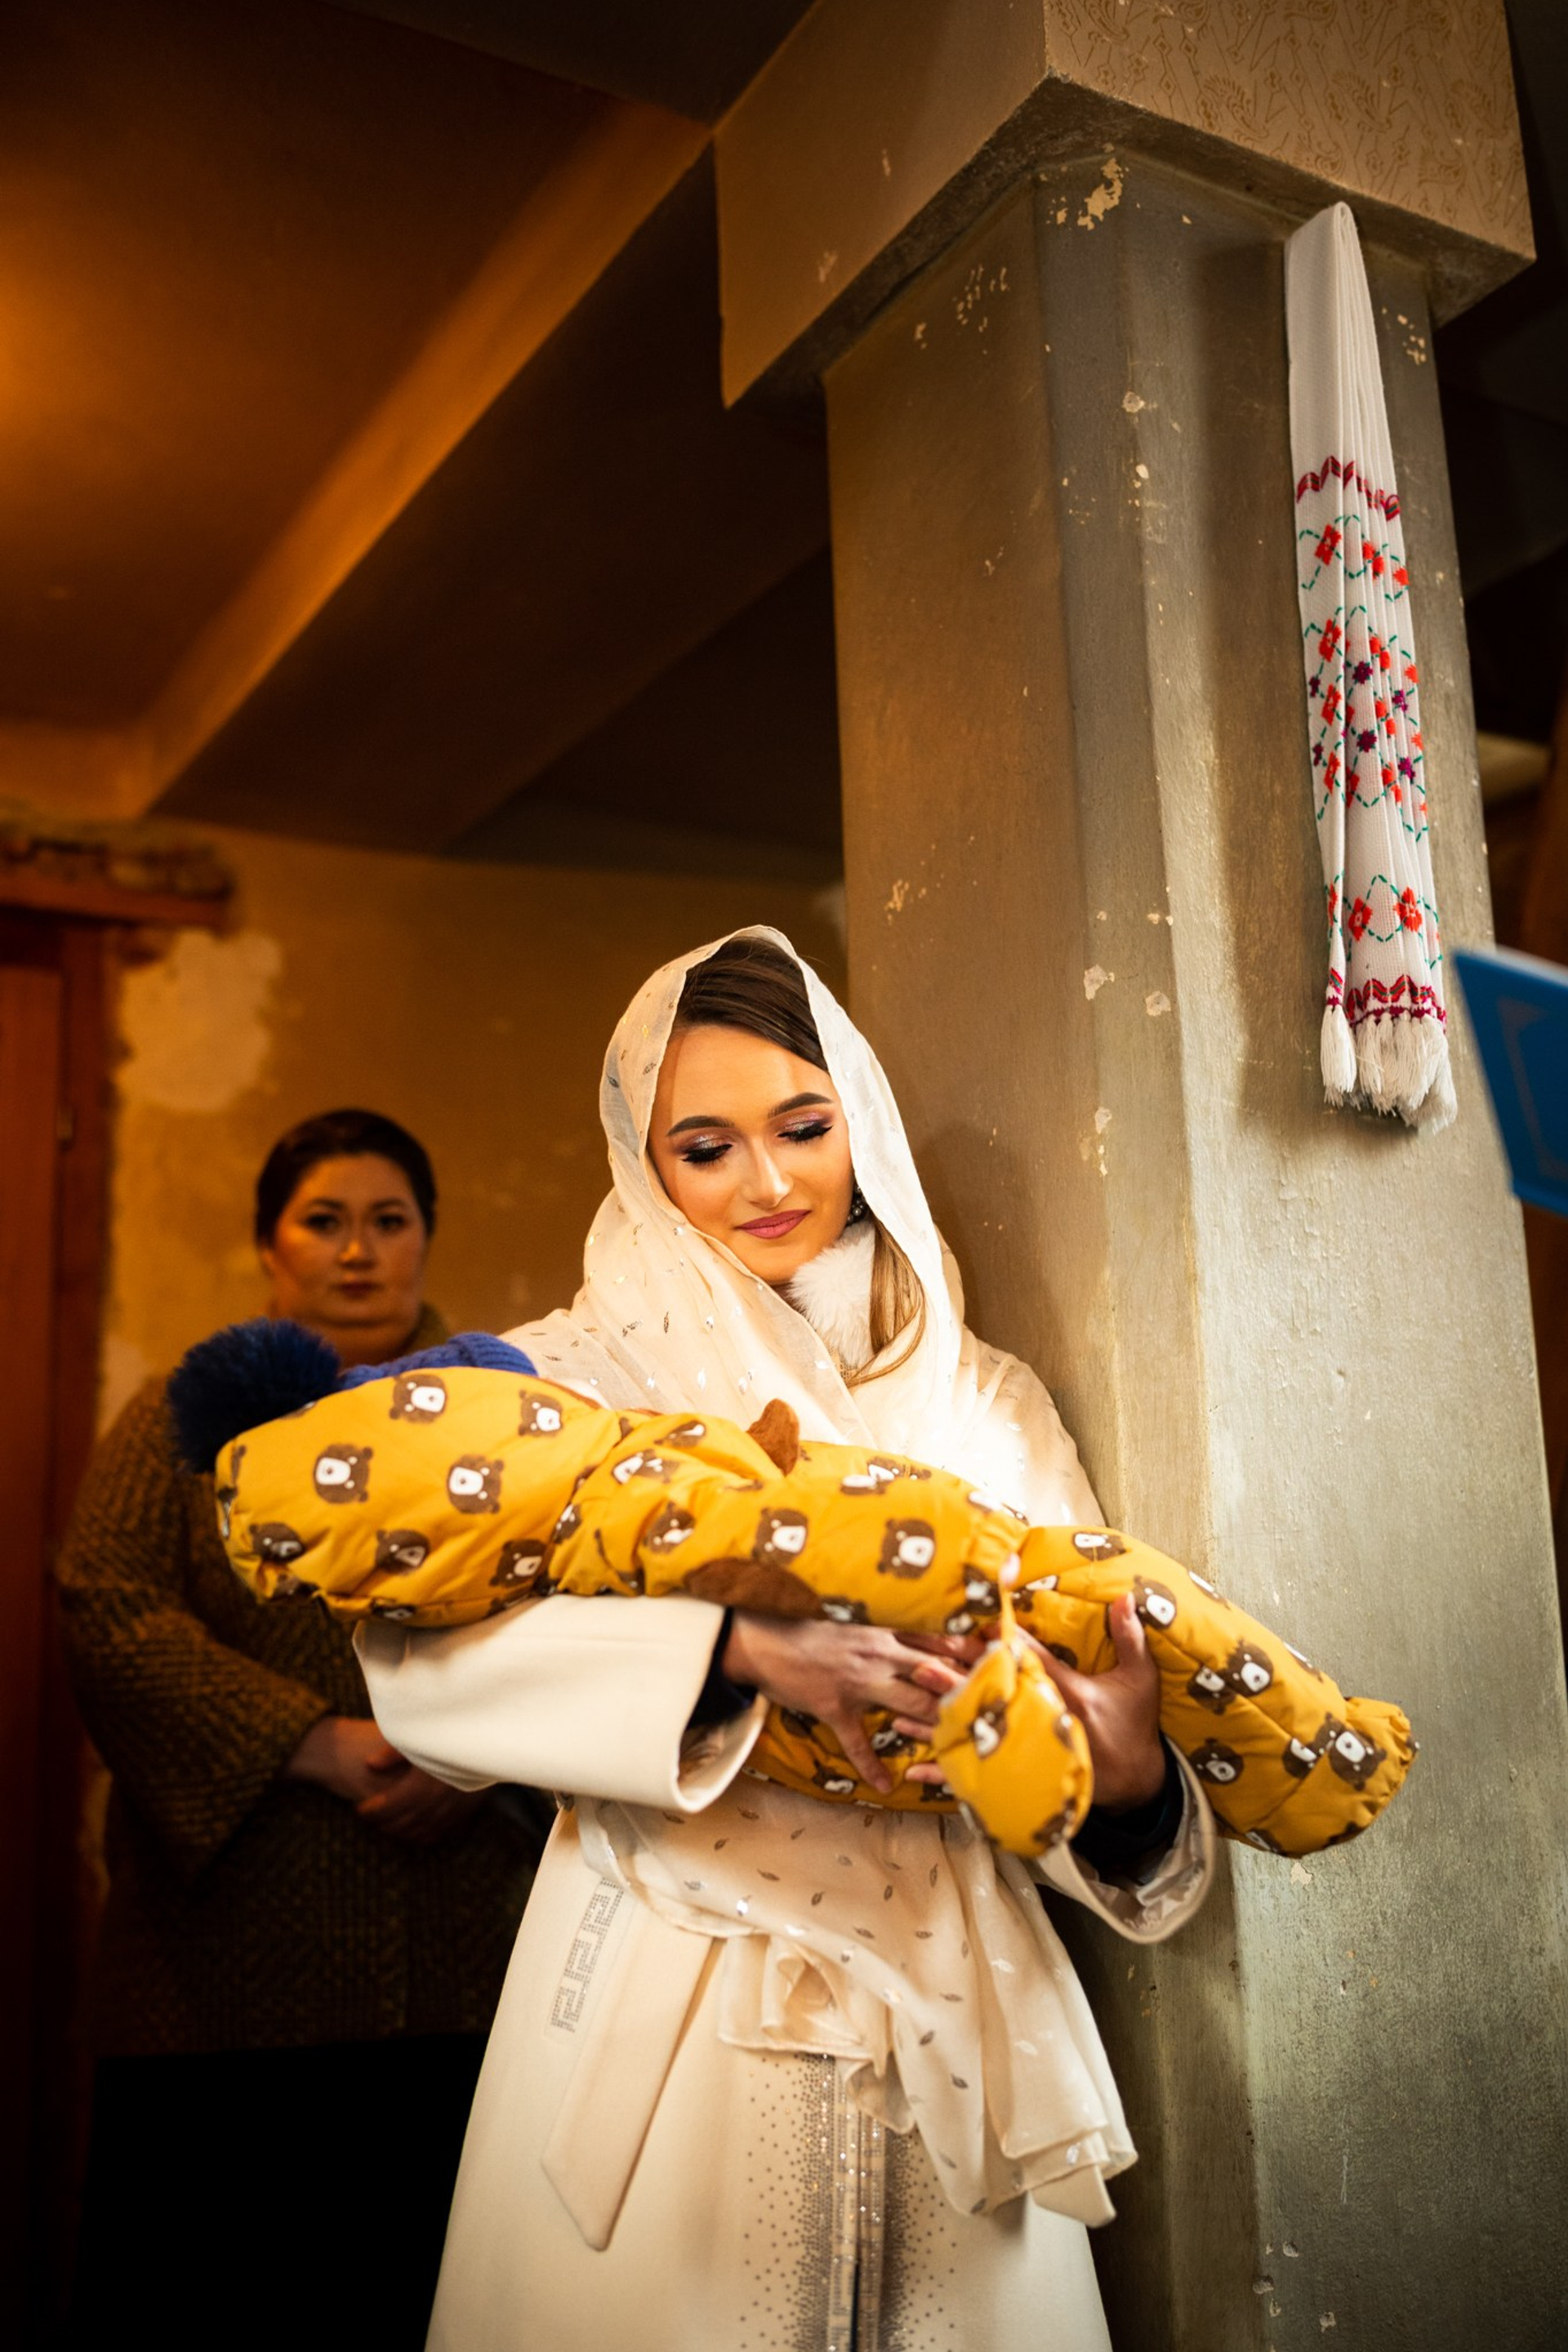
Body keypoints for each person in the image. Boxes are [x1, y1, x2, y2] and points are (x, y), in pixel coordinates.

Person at [359, 934, 1216, 2351]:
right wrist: (731, 1663)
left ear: (861, 1122)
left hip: (950, 2010)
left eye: (805, 1128)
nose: (766, 1183)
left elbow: (1051, 1722)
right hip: (665, 1976)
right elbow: (415, 1674)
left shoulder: (983, 1402)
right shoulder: (565, 1381)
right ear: (648, 1164)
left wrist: (1120, 1786)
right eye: (706, 1147)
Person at [57, 1110, 538, 2352]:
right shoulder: (178, 1414)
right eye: (324, 1221)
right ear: (269, 1246)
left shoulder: (509, 1416)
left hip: (469, 1966)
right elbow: (104, 1607)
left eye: (390, 1221)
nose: (359, 1252)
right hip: (217, 1976)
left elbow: (586, 1608)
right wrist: (306, 1740)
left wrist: (474, 1756)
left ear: (428, 1241)